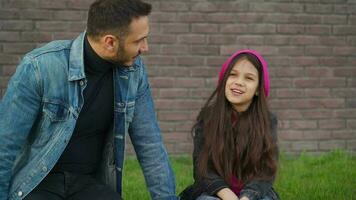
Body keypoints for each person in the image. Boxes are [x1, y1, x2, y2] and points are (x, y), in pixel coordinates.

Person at [0, 0, 177, 199]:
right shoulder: (39, 67)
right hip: (37, 183)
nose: (145, 48)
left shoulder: (134, 72)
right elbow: (5, 145)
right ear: (110, 42)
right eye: (138, 41)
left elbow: (150, 145)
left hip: (89, 184)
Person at [179, 50, 280, 200]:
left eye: (249, 78)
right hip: (214, 192)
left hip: (253, 194)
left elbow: (265, 173)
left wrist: (247, 197)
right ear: (224, 79)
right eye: (233, 75)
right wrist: (227, 196)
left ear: (258, 89)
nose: (238, 82)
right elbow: (202, 169)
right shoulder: (208, 117)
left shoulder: (267, 121)